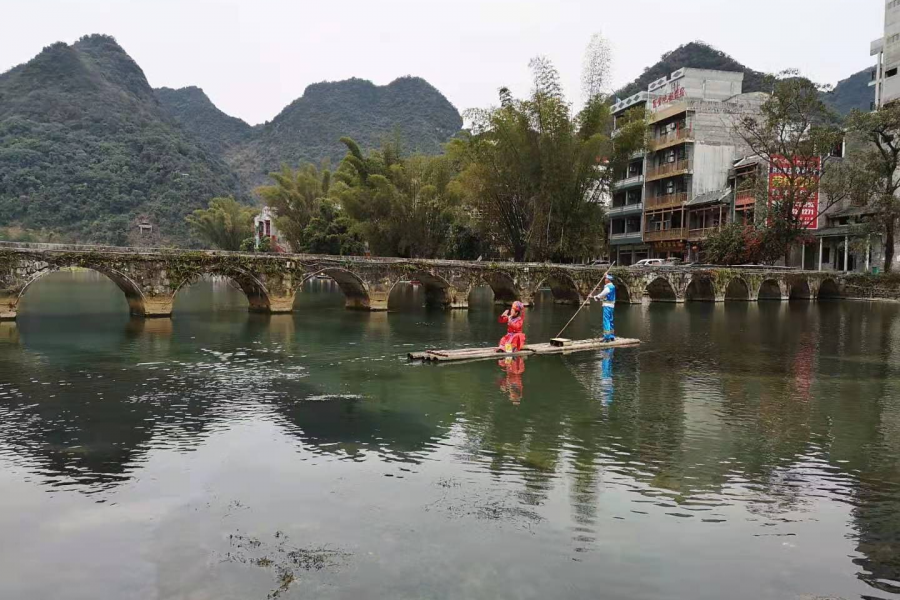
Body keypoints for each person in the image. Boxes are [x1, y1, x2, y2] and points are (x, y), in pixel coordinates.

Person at [591, 274, 616, 342]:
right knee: (610, 320)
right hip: (611, 306)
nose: (604, 280)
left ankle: (607, 337)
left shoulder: (608, 287)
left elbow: (602, 294)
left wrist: (595, 297)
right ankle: (611, 336)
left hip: (607, 305)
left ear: (608, 280)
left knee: (606, 321)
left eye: (606, 279)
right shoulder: (612, 286)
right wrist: (606, 274)